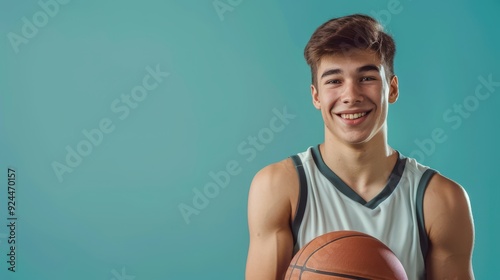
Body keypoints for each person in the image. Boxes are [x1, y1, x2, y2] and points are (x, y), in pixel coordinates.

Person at [245, 14, 475, 280]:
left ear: (392, 89)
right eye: (334, 80)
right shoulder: (279, 187)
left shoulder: (441, 200)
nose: (351, 96)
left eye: (366, 78)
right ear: (316, 96)